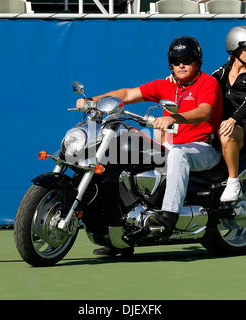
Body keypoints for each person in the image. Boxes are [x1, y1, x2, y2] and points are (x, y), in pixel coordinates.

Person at [77, 36, 223, 256]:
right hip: (169, 146)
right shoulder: (164, 85)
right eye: (176, 60)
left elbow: (205, 111)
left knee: (177, 154)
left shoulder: (207, 83)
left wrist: (176, 118)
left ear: (197, 62)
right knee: (121, 157)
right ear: (170, 64)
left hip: (202, 147)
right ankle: (119, 232)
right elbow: (127, 94)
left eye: (187, 59)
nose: (181, 65)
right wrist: (93, 101)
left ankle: (168, 216)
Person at [212, 26, 246, 202]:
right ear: (235, 48)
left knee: (226, 133)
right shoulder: (221, 72)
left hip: (242, 129)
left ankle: (233, 181)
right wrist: (176, 80)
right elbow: (203, 85)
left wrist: (233, 119)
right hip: (221, 124)